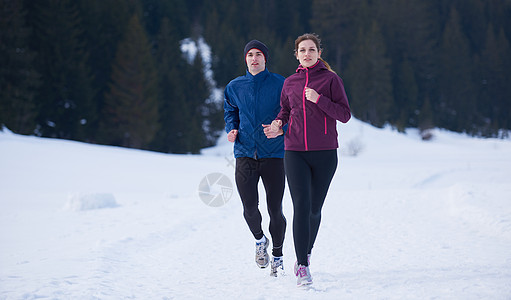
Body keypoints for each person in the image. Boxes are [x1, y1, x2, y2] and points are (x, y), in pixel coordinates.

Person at [264, 33, 351, 286]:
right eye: (302, 50)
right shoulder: (290, 82)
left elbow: (344, 115)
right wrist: (279, 122)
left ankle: (307, 250)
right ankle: (302, 265)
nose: (307, 53)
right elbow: (285, 110)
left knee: (315, 209)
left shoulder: (331, 80)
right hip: (294, 152)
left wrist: (319, 99)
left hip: (325, 153)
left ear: (318, 53)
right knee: (301, 205)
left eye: (311, 49)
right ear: (297, 54)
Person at [224, 40, 287, 276]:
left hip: (274, 154)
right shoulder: (234, 86)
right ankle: (260, 241)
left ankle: (278, 255)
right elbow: (230, 111)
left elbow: (292, 112)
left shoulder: (281, 84)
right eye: (250, 55)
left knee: (275, 209)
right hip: (244, 154)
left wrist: (281, 126)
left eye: (258, 54)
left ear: (265, 59)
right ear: (245, 59)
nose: (254, 58)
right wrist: (232, 128)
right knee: (249, 207)